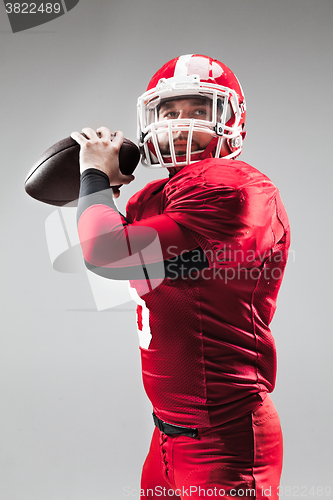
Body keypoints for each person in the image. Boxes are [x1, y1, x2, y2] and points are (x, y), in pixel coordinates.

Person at [71, 54, 290, 500]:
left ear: (230, 121)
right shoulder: (156, 197)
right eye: (169, 112)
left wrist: (93, 174)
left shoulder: (236, 188)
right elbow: (125, 260)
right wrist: (105, 192)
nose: (179, 122)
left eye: (197, 111)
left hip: (224, 439)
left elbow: (105, 251)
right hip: (166, 435)